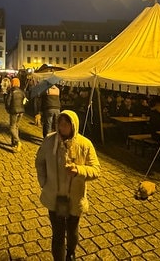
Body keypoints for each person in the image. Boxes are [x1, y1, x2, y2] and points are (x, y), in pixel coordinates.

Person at [35, 110, 101, 261]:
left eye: (66, 124)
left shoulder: (85, 144)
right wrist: (43, 181)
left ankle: (70, 253)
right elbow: (39, 161)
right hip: (54, 198)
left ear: (73, 125)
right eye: (60, 123)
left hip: (74, 198)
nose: (62, 126)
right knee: (58, 234)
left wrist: (78, 170)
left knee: (72, 231)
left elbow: (96, 170)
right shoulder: (49, 140)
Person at [5, 77, 26, 152]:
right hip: (21, 111)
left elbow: (8, 101)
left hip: (14, 111)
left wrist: (7, 108)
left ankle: (18, 141)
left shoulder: (11, 91)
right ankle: (14, 143)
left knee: (12, 127)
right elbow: (24, 101)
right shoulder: (22, 91)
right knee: (16, 127)